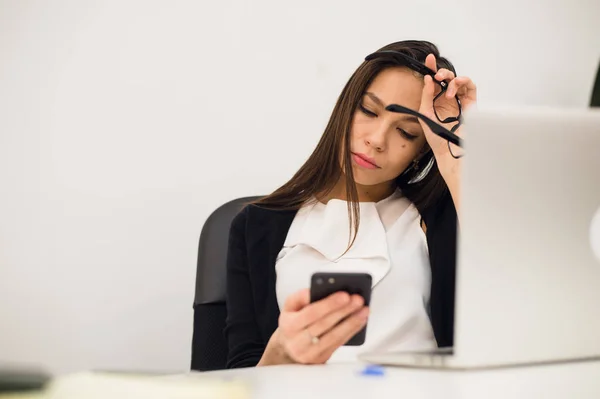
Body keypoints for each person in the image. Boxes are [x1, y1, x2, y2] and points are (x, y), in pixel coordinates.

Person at [224, 40, 477, 368]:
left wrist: (455, 159)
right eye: (369, 111)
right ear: (345, 107)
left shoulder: (444, 218)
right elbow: (238, 373)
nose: (377, 139)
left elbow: (509, 308)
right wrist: (282, 353)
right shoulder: (255, 225)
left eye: (407, 131)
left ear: (421, 150)